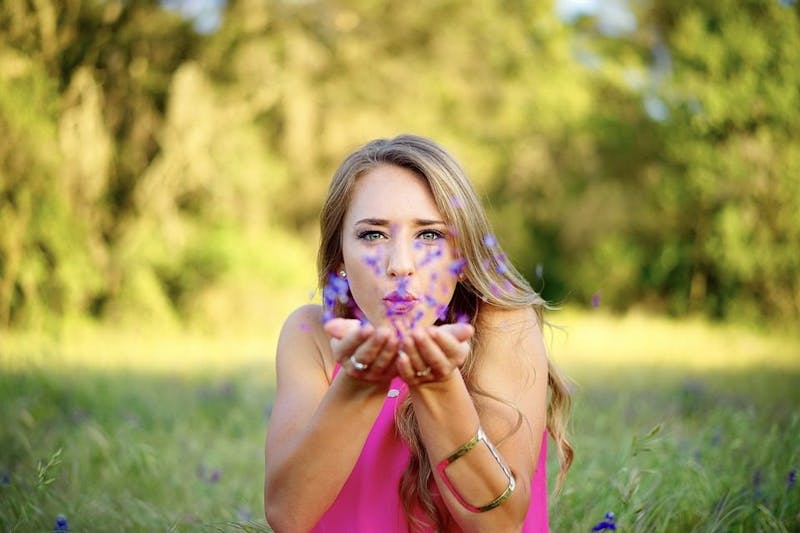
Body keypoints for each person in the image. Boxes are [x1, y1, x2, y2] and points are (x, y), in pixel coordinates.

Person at [264, 134, 573, 532]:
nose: (400, 265)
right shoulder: (311, 336)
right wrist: (360, 384)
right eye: (373, 235)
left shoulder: (502, 325)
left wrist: (439, 386)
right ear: (340, 254)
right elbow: (287, 515)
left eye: (429, 235)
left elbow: (500, 523)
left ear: (461, 256)